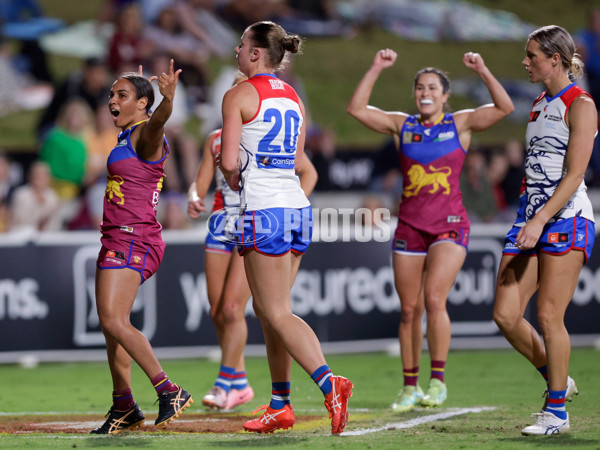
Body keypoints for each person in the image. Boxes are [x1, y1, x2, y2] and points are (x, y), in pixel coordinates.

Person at [346, 49, 514, 412]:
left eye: (433, 87)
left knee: (434, 299)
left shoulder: (460, 124)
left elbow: (504, 108)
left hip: (449, 226)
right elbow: (357, 110)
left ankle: (437, 381)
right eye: (420, 87)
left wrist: (483, 69)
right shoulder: (401, 125)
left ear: (445, 94)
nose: (426, 92)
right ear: (415, 93)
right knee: (409, 310)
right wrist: (375, 67)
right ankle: (410, 387)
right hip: (410, 225)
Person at [219, 21, 353, 435]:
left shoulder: (238, 93)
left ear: (257, 53)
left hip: (264, 209)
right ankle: (280, 404)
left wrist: (236, 183)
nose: (237, 50)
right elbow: (296, 160)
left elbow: (227, 163)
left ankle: (330, 383)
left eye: (242, 45)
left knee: (274, 311)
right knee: (271, 311)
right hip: (296, 206)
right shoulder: (294, 96)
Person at [492, 25, 597, 436]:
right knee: (504, 313)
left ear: (555, 59)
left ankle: (557, 414)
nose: (525, 61)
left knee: (550, 315)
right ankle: (557, 379)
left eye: (532, 55)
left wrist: (539, 220)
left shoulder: (581, 104)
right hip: (530, 218)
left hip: (566, 218)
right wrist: (528, 217)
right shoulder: (538, 102)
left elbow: (574, 175)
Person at [187, 106, 318, 412]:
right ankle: (240, 381)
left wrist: (294, 199)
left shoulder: (267, 137)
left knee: (233, 307)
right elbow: (200, 182)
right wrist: (194, 196)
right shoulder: (216, 140)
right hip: (221, 224)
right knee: (218, 311)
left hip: (257, 220)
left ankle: (224, 383)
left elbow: (308, 170)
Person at [91, 59, 193, 434]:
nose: (112, 101)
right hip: (117, 237)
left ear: (142, 103)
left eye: (122, 95)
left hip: (135, 238)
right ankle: (124, 407)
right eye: (111, 95)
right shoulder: (124, 137)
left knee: (114, 321)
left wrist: (167, 100)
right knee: (111, 327)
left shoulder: (143, 134)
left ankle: (169, 390)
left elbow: (158, 122)